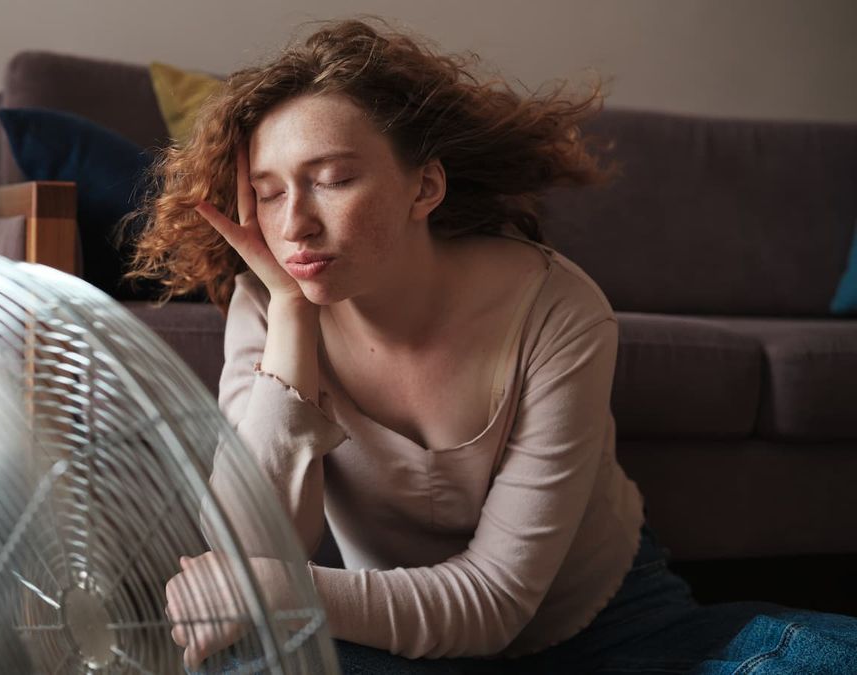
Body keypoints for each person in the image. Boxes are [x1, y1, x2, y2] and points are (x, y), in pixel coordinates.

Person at [126, 18, 857, 674]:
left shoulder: (559, 309)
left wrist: (284, 589)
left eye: (333, 179)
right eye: (271, 191)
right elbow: (253, 549)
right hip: (389, 627)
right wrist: (288, 314)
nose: (295, 226)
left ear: (425, 187)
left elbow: (494, 600)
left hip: (601, 629)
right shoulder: (266, 302)